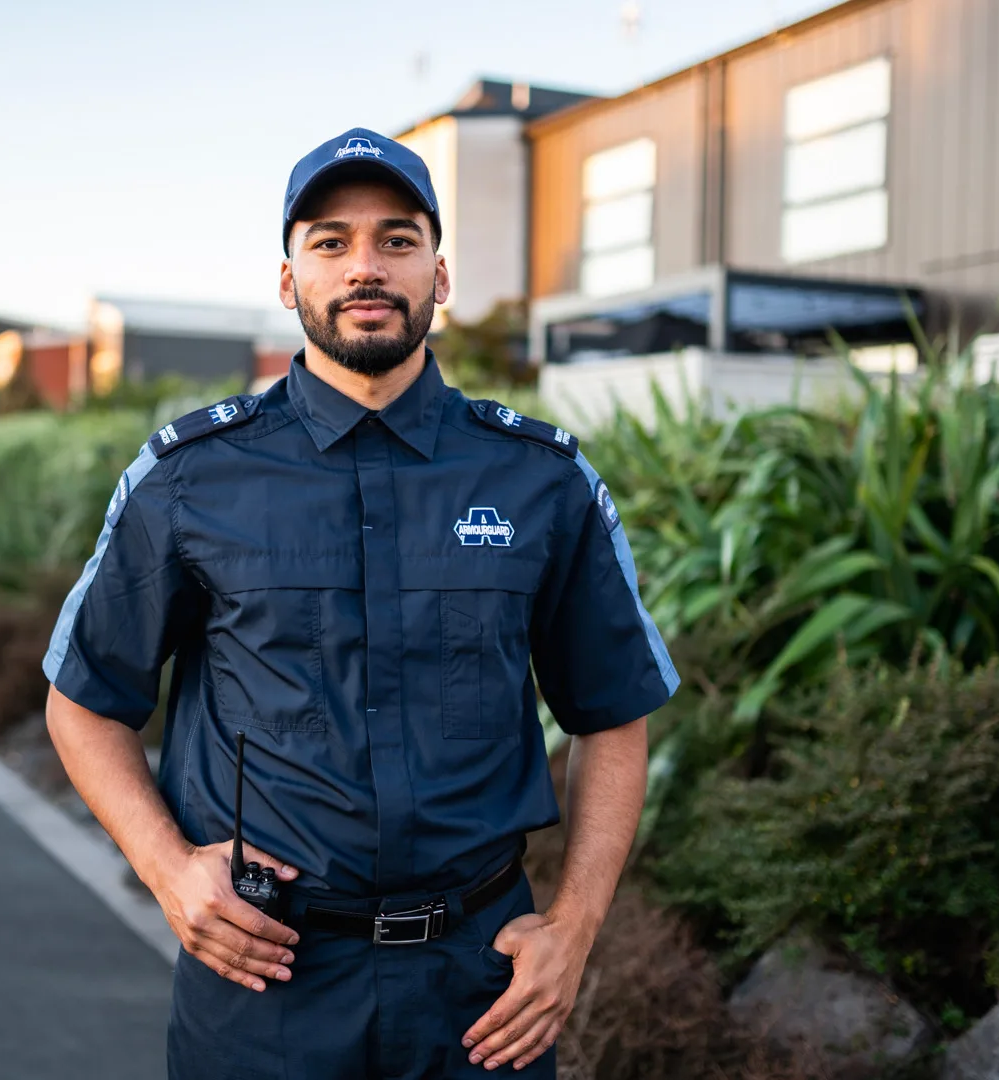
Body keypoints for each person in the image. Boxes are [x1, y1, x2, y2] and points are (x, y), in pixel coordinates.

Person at [42, 127, 679, 1079]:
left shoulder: (539, 479)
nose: (365, 268)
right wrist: (170, 872)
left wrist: (576, 931)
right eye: (331, 243)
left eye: (396, 239)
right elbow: (84, 700)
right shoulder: (189, 477)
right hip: (265, 988)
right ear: (290, 280)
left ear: (441, 273)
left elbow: (613, 715)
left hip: (482, 995)